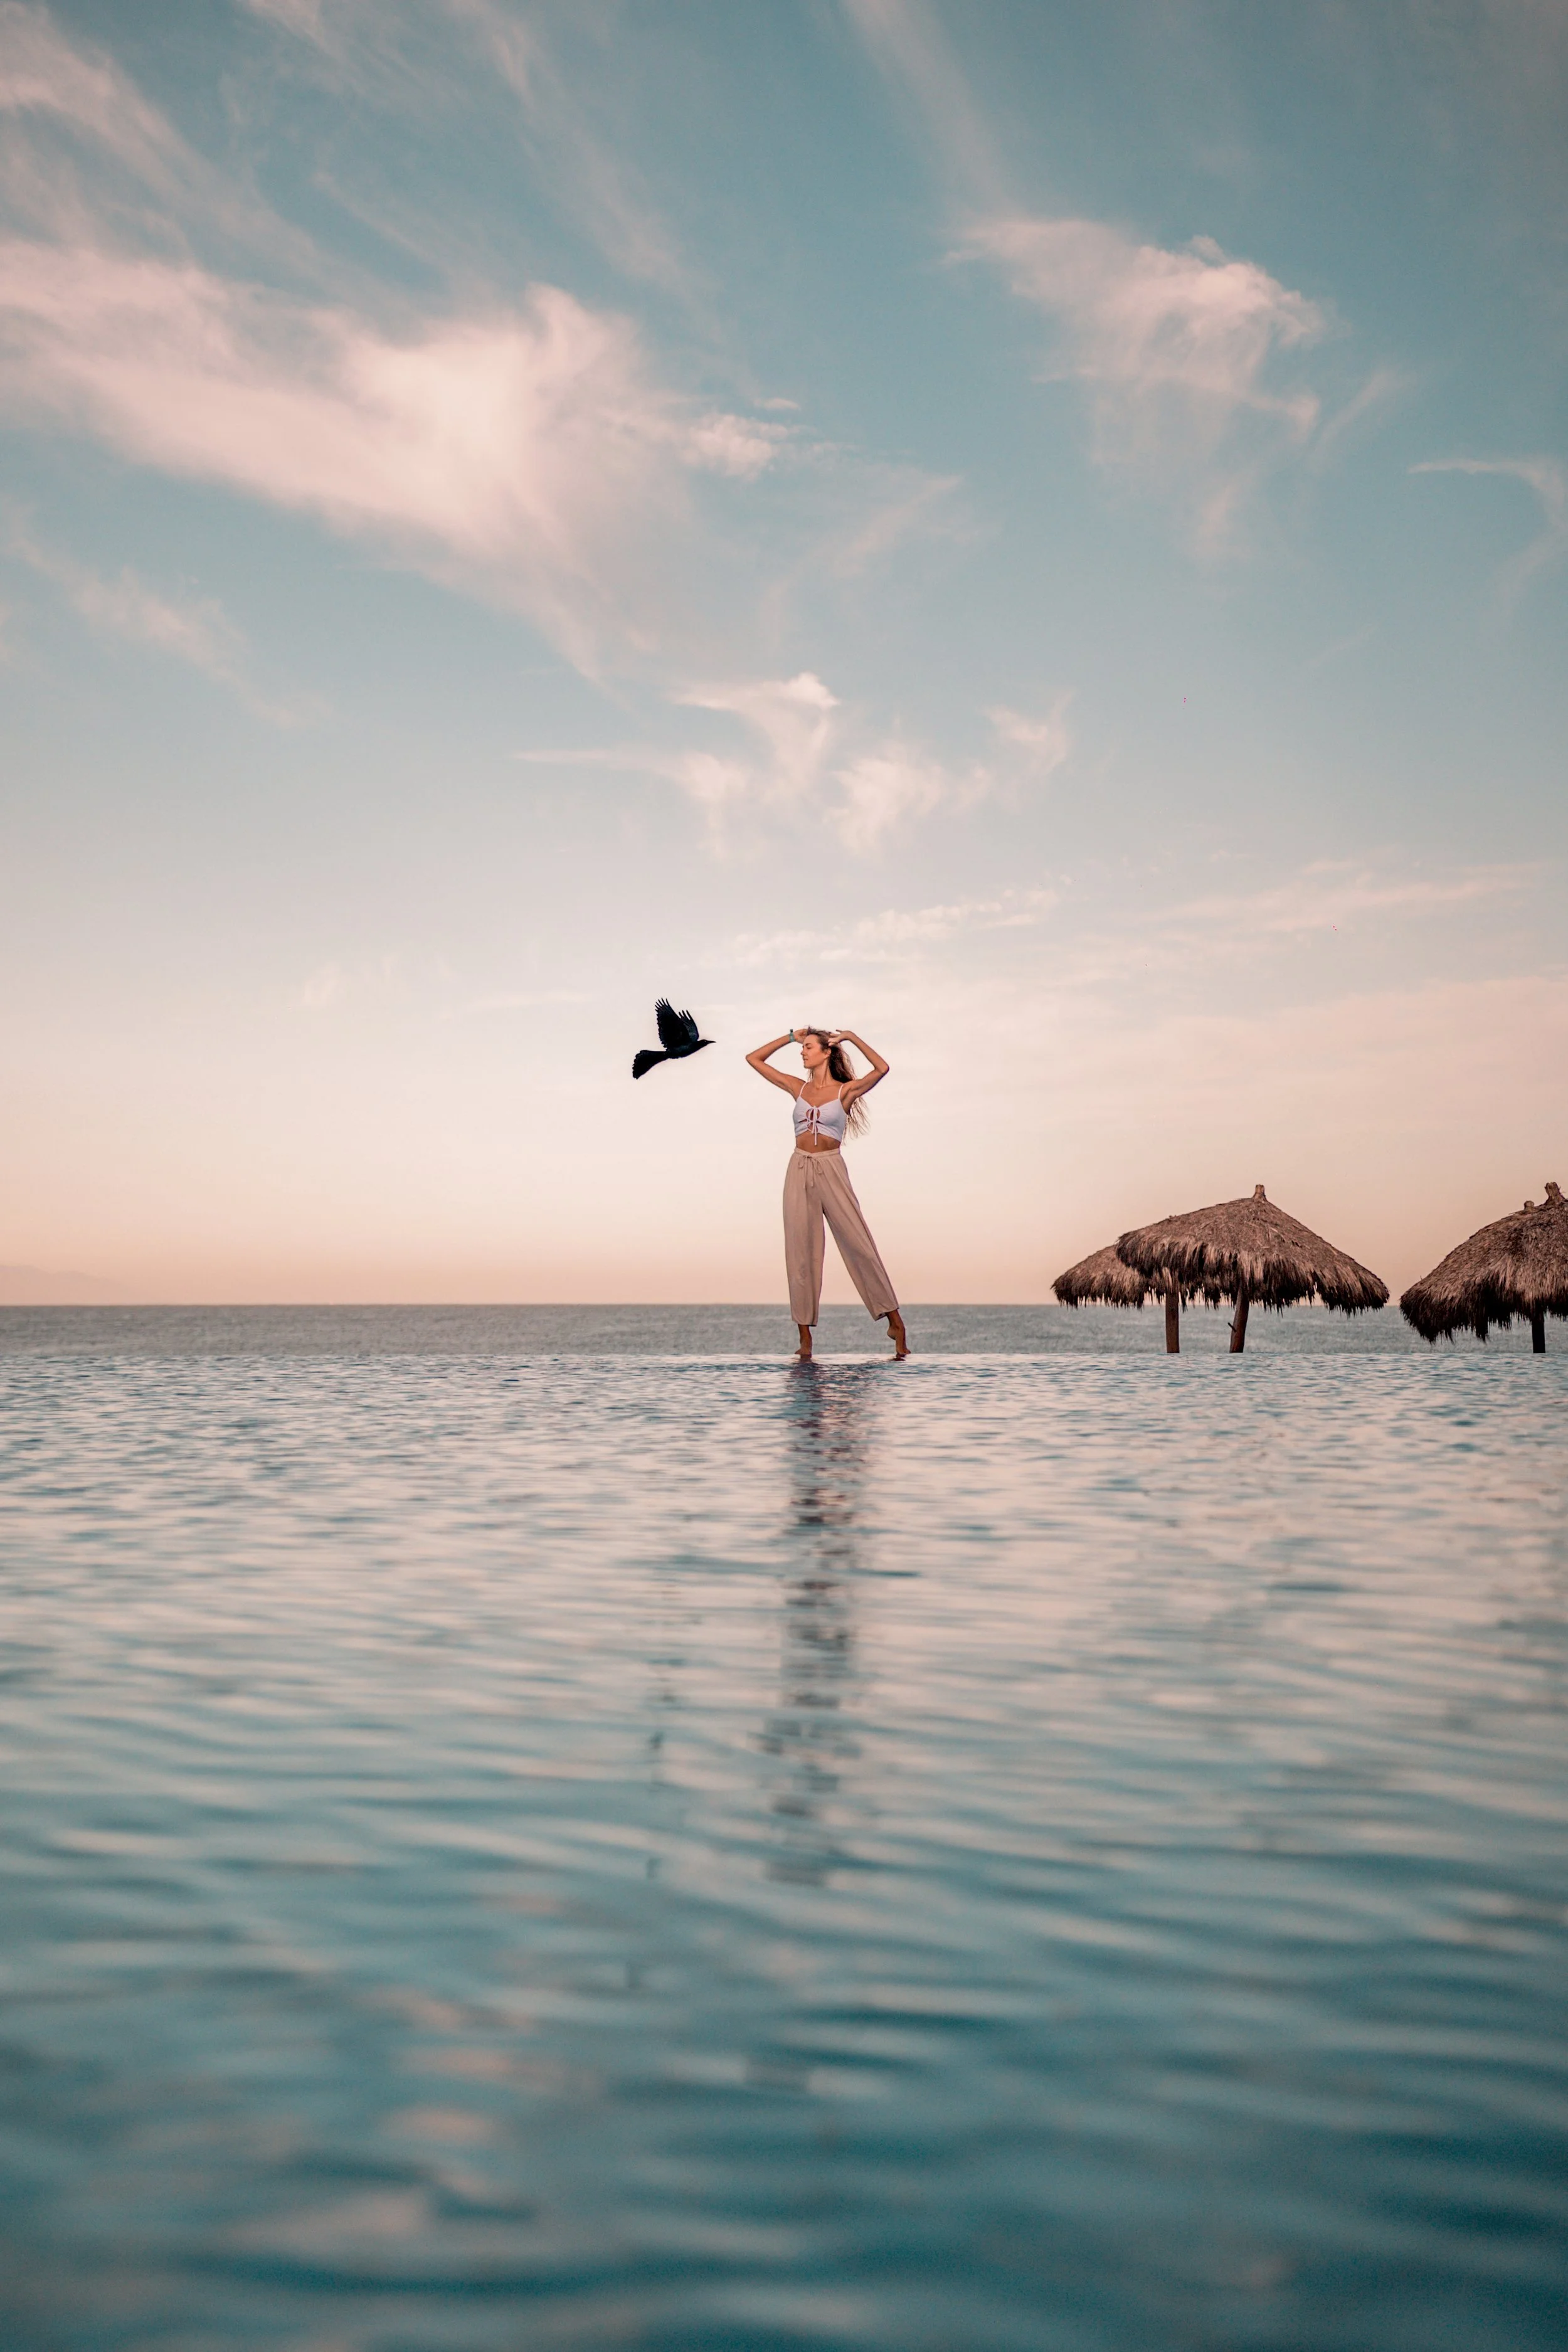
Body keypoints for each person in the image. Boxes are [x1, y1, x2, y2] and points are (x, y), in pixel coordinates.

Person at [744, 1025, 908, 1362]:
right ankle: (805, 1339)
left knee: (859, 1244)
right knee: (800, 1253)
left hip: (831, 1168)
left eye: (807, 1047)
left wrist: (851, 1037)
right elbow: (754, 1058)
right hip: (799, 1168)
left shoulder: (845, 1092)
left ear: (826, 1052)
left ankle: (896, 1324)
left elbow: (882, 1069)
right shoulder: (797, 1087)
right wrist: (791, 1035)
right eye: (801, 1047)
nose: (802, 1052)